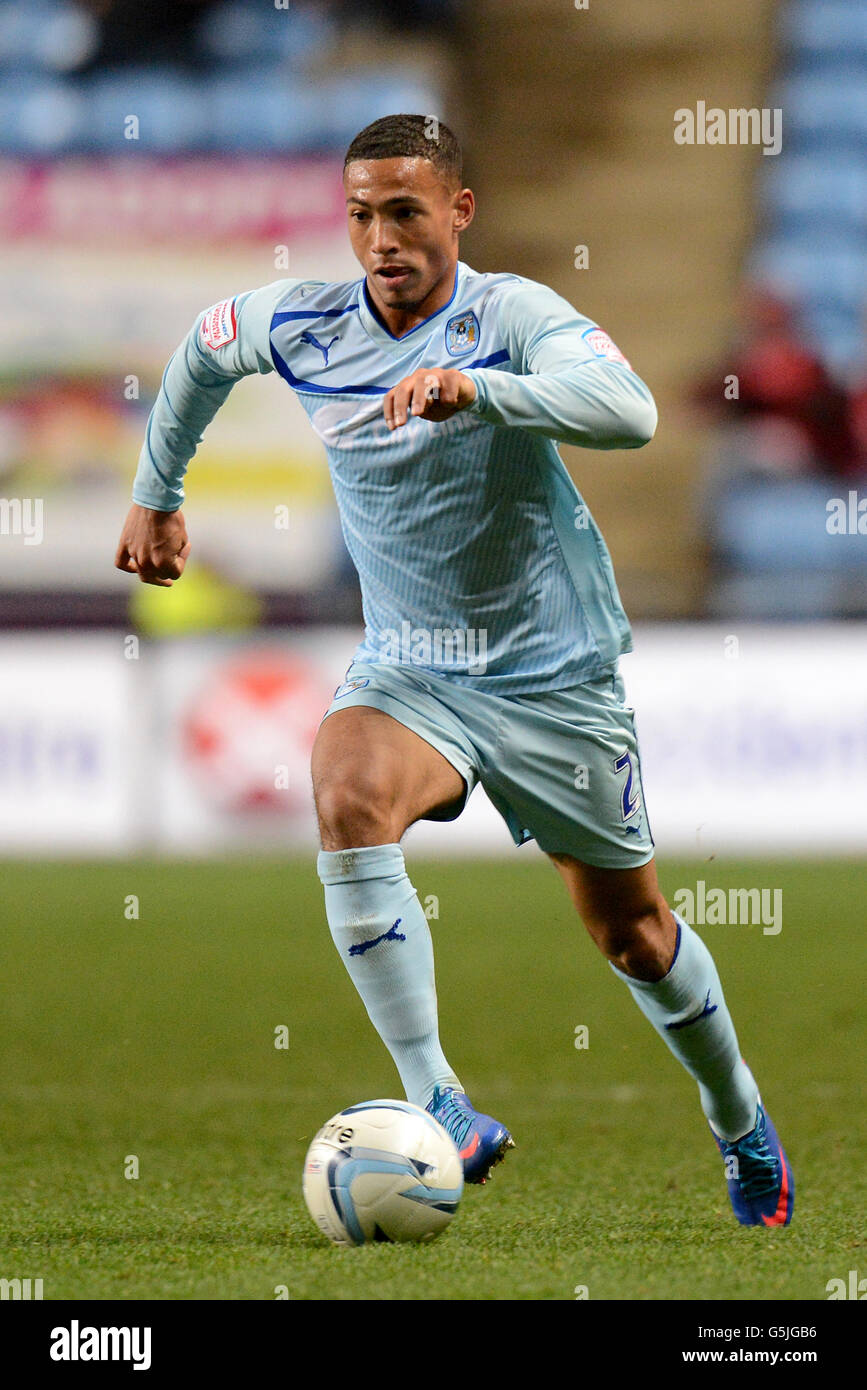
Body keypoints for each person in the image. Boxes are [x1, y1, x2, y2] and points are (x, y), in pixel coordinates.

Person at [115, 114, 793, 1225]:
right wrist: (159, 493)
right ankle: (441, 1097)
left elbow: (630, 411)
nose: (379, 238)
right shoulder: (304, 323)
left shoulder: (512, 314)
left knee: (635, 933)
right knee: (344, 789)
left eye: (403, 212)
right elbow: (201, 349)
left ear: (458, 213)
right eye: (359, 215)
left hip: (554, 680)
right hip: (410, 672)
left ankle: (739, 1120)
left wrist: (480, 390)